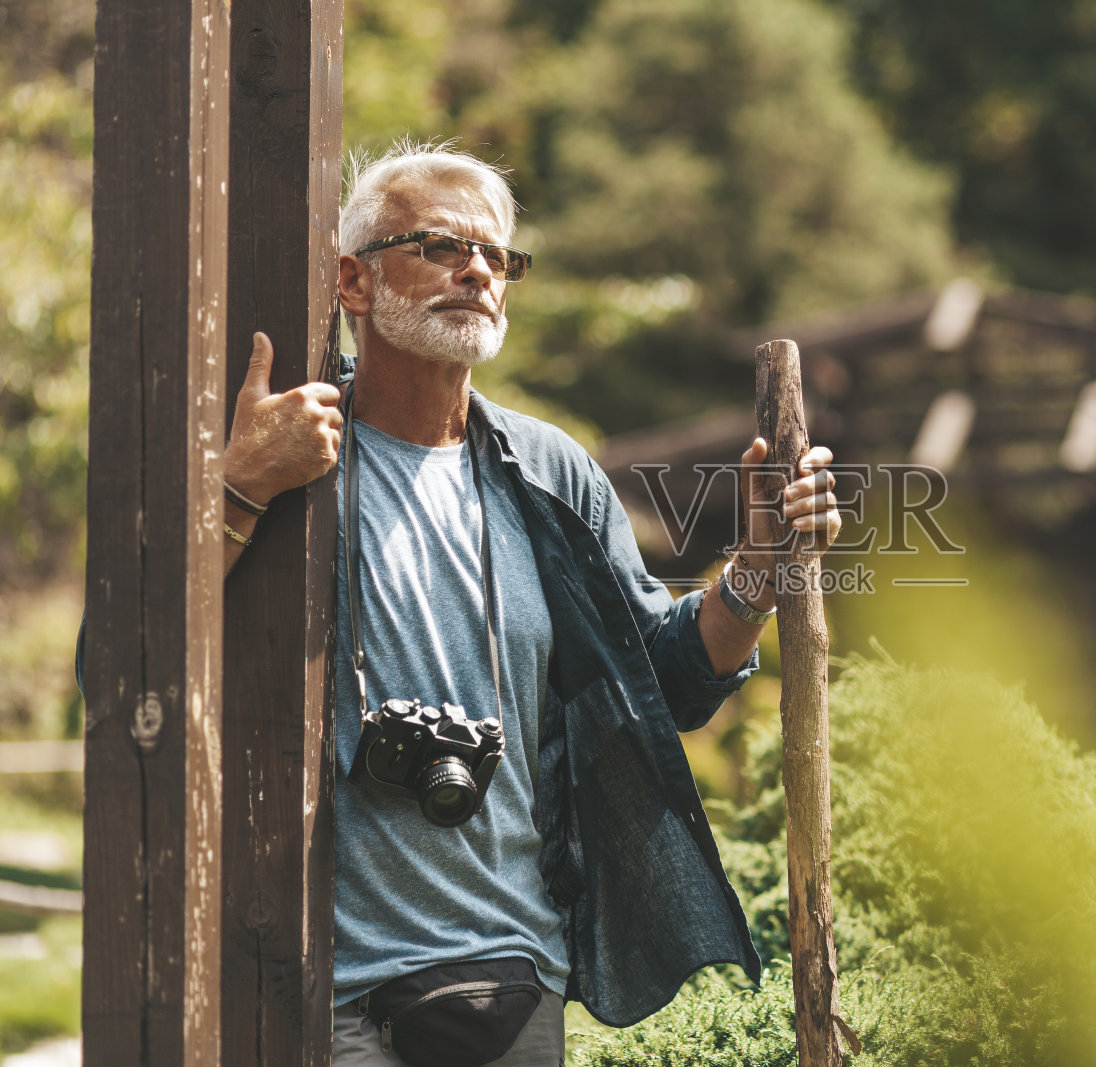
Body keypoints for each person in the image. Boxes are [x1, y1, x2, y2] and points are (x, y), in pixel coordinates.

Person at [219, 141, 842, 1066]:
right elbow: (123, 658)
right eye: (439, 245)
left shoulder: (549, 471)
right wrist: (236, 492)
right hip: (314, 982)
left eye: (498, 256)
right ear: (353, 281)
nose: (478, 270)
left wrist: (754, 569)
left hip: (510, 978)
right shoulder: (283, 453)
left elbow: (663, 687)